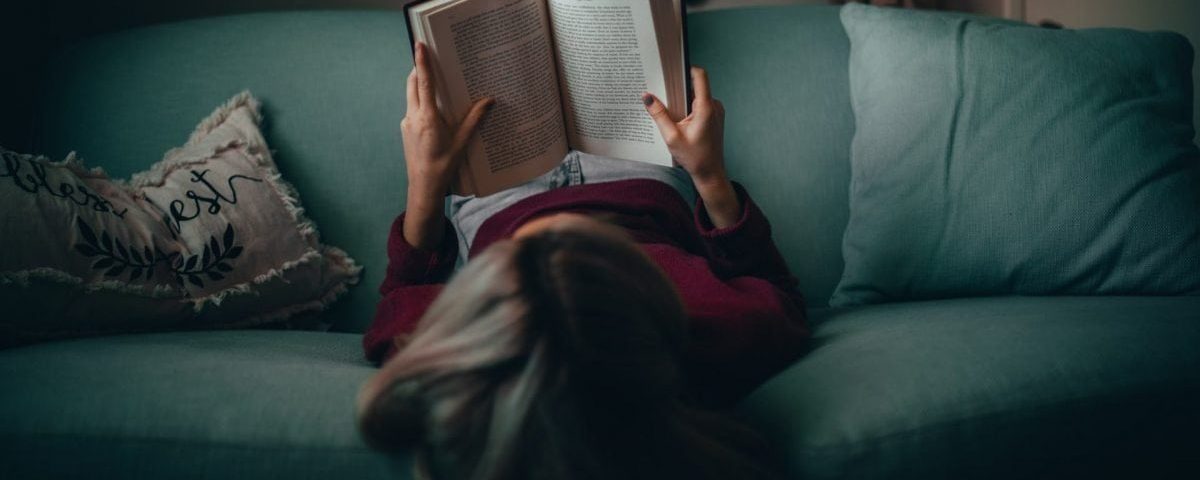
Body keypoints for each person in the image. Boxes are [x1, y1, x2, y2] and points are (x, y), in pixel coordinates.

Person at [356, 42, 809, 480]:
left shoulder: (458, 354)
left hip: (494, 190)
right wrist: (710, 175)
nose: (561, 229)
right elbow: (778, 292)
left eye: (523, 261)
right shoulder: (712, 333)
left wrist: (425, 185)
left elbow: (401, 296)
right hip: (635, 168)